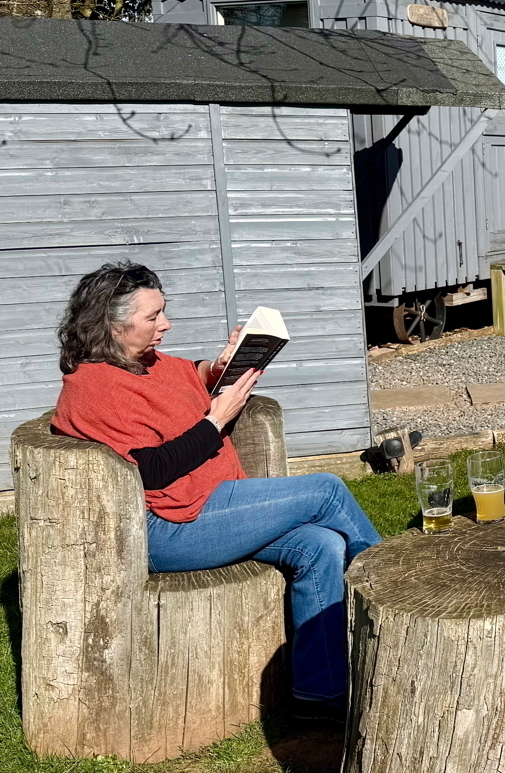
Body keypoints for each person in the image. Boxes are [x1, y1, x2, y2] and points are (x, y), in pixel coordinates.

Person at [51, 261, 379, 718]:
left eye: (163, 311)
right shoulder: (93, 388)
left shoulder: (146, 362)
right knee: (326, 490)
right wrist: (216, 420)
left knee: (319, 545)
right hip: (169, 526)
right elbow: (152, 471)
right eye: (153, 317)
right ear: (111, 323)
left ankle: (320, 695)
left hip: (210, 505)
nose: (165, 324)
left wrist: (222, 365)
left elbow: (189, 373)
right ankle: (394, 591)